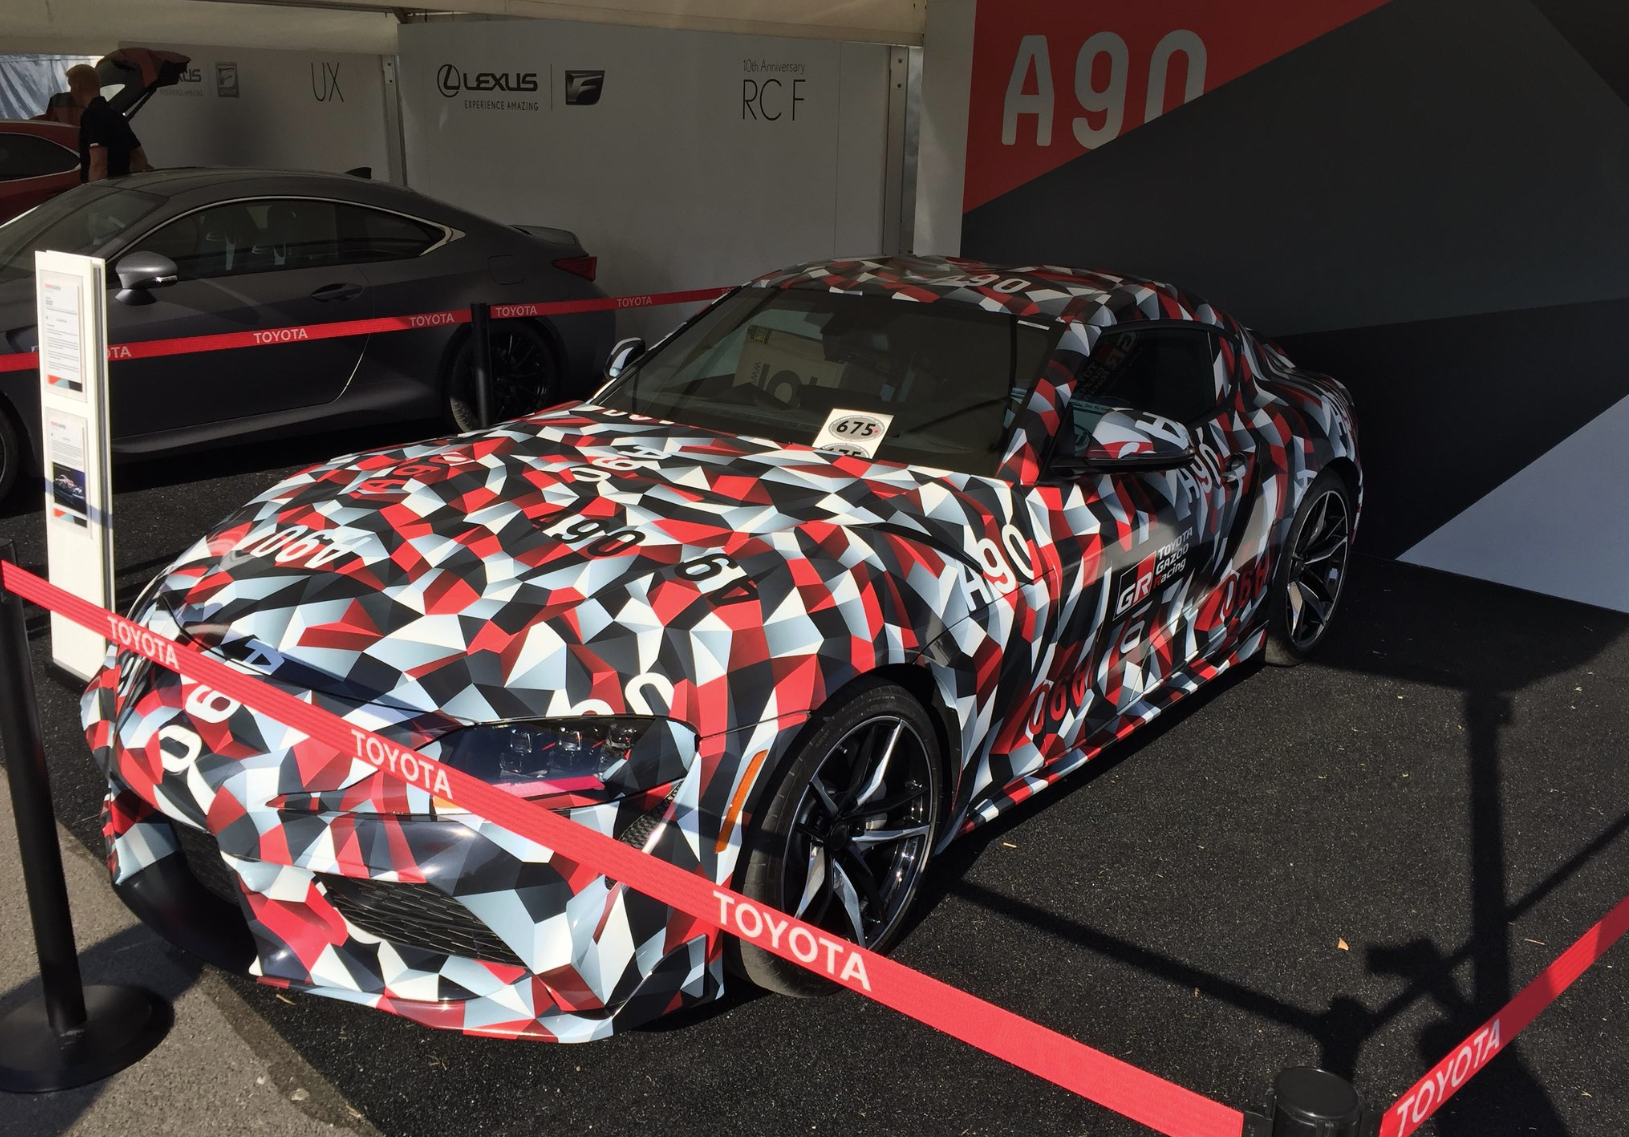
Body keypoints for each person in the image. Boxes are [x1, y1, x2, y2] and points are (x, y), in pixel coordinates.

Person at [65, 64, 150, 182]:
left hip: (103, 190)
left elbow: (98, 164)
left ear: (77, 86)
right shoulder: (115, 114)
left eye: (71, 87)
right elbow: (139, 157)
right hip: (121, 189)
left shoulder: (92, 115)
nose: (70, 92)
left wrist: (94, 191)